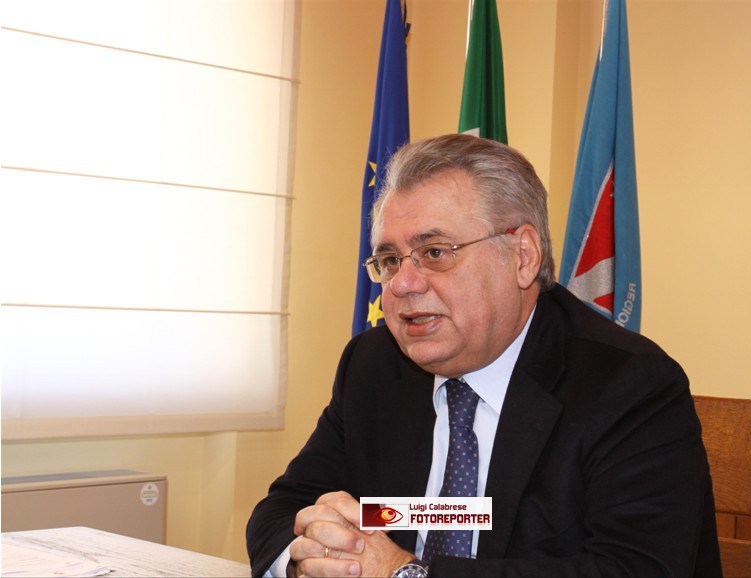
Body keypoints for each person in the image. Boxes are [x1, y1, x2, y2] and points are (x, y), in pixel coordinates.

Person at [246, 134, 722, 577]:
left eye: (435, 252)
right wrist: (310, 558)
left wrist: (404, 574)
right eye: (390, 261)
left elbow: (633, 570)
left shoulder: (627, 384)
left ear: (523, 256)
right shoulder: (374, 365)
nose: (403, 284)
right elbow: (285, 508)